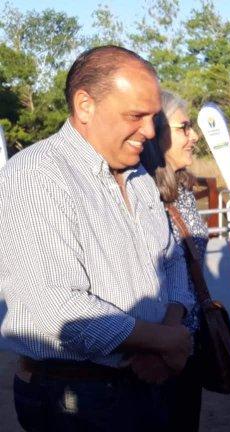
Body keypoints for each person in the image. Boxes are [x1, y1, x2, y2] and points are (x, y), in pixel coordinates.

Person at [0, 45, 194, 431]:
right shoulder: (36, 177)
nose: (151, 131)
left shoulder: (138, 176)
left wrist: (169, 331)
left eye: (153, 117)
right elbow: (59, 310)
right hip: (77, 398)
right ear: (85, 105)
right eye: (136, 116)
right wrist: (162, 341)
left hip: (149, 381)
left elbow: (171, 260)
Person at [140, 90, 207, 431]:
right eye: (185, 126)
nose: (194, 135)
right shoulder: (143, 193)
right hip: (160, 347)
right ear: (157, 133)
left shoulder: (180, 188)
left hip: (186, 341)